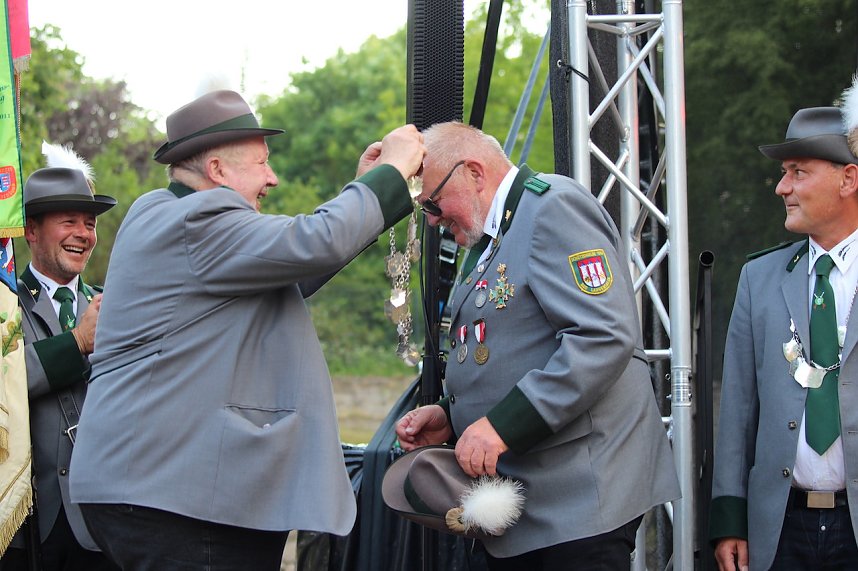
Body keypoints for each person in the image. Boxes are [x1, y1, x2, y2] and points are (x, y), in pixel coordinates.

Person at [67, 89, 424, 570]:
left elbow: (295, 266)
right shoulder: (199, 218)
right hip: (179, 496)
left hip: (153, 486)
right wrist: (392, 172)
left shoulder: (164, 214)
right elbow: (313, 243)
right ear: (217, 171)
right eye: (261, 163)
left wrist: (361, 189)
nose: (272, 178)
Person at [394, 121, 680, 570]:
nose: (432, 218)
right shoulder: (495, 236)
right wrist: (451, 416)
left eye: (432, 201)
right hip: (535, 503)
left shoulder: (553, 207)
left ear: (473, 171)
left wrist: (503, 425)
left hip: (578, 500)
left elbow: (602, 336)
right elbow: (511, 348)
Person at [710, 91, 858, 569]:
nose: (782, 188)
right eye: (783, 173)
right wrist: (730, 518)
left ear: (848, 179)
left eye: (798, 172)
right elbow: (736, 409)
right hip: (779, 526)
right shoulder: (760, 278)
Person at [0, 152, 118, 571]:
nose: (83, 234)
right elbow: (5, 382)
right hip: (29, 527)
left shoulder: (112, 302)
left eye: (90, 223)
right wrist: (78, 342)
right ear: (30, 230)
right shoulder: (6, 306)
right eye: (69, 221)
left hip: (104, 522)